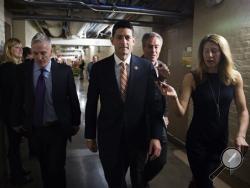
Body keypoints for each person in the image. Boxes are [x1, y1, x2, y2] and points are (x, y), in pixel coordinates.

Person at [160, 34, 249, 188]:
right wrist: (174, 97)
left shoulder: (235, 78)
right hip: (197, 142)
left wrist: (241, 135)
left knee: (202, 180)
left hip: (220, 141)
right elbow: (180, 112)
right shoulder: (192, 77)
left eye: (214, 51)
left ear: (223, 53)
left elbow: (243, 111)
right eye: (205, 51)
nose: (209, 55)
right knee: (206, 182)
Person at [84, 20, 164, 188]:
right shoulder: (99, 68)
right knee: (114, 180)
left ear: (133, 41)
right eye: (119, 37)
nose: (124, 42)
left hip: (139, 137)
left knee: (140, 181)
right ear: (112, 40)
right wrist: (90, 135)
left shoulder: (146, 67)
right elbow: (91, 103)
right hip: (110, 137)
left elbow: (154, 105)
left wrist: (156, 136)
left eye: (128, 37)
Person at [11, 33, 81, 188]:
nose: (39, 57)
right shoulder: (23, 71)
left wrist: (75, 122)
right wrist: (16, 122)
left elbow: (73, 99)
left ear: (51, 51)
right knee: (43, 165)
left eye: (43, 53)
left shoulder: (64, 71)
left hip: (57, 128)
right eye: (35, 53)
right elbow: (17, 97)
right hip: (35, 129)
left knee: (56, 167)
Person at [0, 38, 33, 186]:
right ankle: (16, 176)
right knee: (13, 147)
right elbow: (12, 97)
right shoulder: (9, 68)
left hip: (11, 114)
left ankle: (18, 170)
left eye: (20, 47)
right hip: (11, 115)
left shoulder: (13, 67)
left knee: (15, 146)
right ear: (9, 50)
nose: (20, 50)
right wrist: (15, 119)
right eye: (16, 48)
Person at [141, 32, 170, 186]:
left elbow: (163, 95)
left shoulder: (162, 67)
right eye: (150, 47)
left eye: (156, 47)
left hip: (158, 119)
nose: (153, 50)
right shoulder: (134, 65)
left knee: (160, 159)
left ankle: (141, 180)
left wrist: (165, 114)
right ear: (143, 47)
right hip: (140, 121)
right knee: (139, 159)